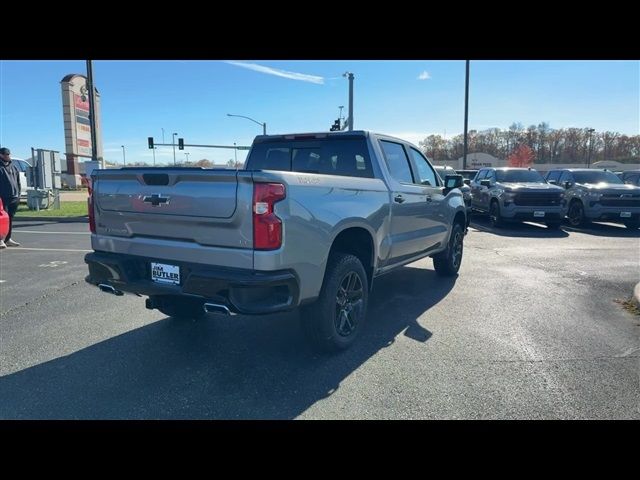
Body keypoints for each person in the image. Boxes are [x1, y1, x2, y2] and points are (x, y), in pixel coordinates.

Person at [0, 147, 21, 248]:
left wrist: (18, 195)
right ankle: (0, 240)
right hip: (3, 198)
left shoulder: (13, 167)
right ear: (1, 155)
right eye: (5, 154)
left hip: (14, 197)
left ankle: (8, 239)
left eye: (8, 154)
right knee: (2, 220)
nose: (7, 156)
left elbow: (18, 181)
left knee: (10, 219)